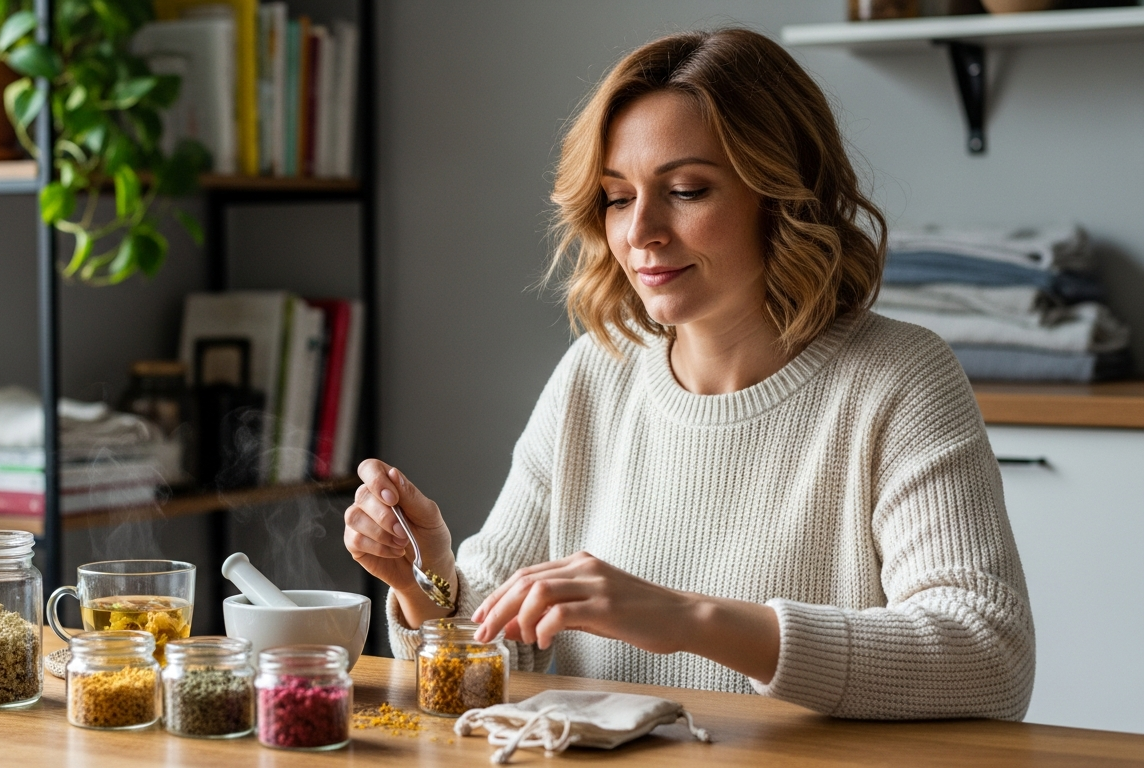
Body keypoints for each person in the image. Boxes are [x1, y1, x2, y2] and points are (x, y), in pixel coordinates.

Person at [343, 28, 1033, 720]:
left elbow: (988, 654)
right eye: (617, 197)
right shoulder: (596, 374)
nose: (641, 231)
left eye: (686, 190)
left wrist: (685, 619)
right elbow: (481, 660)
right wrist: (424, 573)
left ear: (784, 197)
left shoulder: (900, 378)